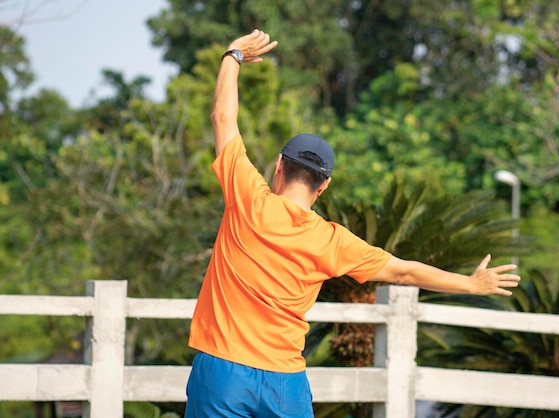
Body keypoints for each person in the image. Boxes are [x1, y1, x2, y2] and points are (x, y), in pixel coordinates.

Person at [184, 29, 521, 418]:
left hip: (222, 371)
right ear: (323, 185)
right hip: (284, 381)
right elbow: (404, 272)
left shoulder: (246, 198)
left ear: (279, 166)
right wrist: (471, 283)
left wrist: (233, 55)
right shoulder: (331, 241)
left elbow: (222, 115)